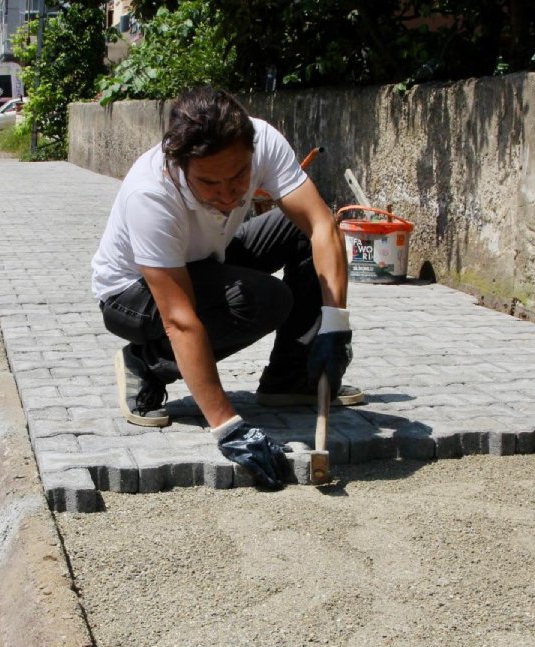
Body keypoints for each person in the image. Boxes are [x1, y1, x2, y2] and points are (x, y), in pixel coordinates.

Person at [91, 86, 363, 489]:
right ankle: (145, 363)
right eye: (210, 183)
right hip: (133, 295)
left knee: (301, 228)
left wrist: (335, 324)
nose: (229, 192)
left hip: (207, 259)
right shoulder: (151, 193)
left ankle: (292, 378)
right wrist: (227, 426)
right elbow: (180, 319)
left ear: (251, 149)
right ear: (180, 166)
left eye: (239, 176)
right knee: (260, 300)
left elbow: (322, 226)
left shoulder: (260, 139)